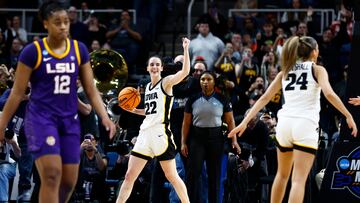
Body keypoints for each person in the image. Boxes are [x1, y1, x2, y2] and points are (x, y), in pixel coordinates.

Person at [0, 2, 116, 203]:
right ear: (45, 24)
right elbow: (17, 93)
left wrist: (105, 116)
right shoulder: (32, 52)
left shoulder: (79, 50)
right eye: (57, 22)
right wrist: (1, 125)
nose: (63, 26)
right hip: (41, 120)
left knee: (69, 181)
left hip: (69, 121)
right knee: (52, 174)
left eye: (66, 22)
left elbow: (90, 89)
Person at [228, 36, 357, 203]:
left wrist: (244, 122)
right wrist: (348, 115)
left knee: (281, 176)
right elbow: (330, 94)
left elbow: (265, 98)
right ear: (314, 52)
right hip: (305, 124)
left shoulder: (286, 71)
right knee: (298, 180)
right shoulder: (317, 70)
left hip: (285, 125)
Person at [116, 38, 191, 203]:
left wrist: (185, 49)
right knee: (129, 176)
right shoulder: (147, 88)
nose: (155, 66)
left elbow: (185, 72)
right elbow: (151, 111)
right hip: (145, 134)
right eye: (152, 64)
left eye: (158, 64)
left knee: (172, 176)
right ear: (148, 68)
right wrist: (134, 110)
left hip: (160, 134)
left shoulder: (166, 83)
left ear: (162, 68)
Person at [181, 71, 240, 203]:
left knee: (214, 176)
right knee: (192, 175)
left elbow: (230, 122)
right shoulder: (192, 99)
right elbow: (186, 123)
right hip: (196, 139)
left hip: (216, 139)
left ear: (214, 82)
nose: (205, 82)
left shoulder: (222, 99)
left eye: (208, 79)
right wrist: (183, 142)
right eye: (202, 79)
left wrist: (234, 140)